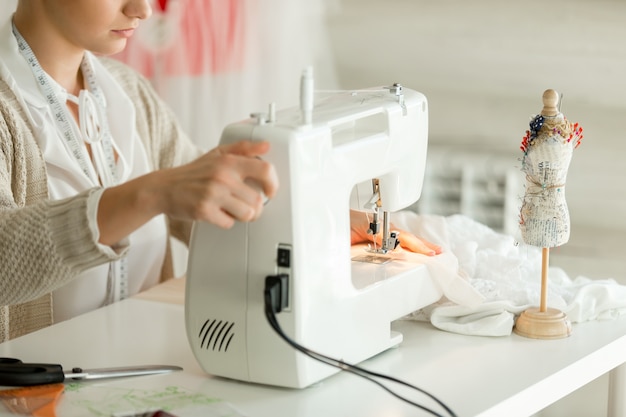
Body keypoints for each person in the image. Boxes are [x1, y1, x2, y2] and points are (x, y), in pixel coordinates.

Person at [0, 0, 440, 342]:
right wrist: (149, 194)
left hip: (144, 365)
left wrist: (321, 225)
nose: (143, 9)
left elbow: (207, 205)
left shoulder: (128, 93)